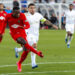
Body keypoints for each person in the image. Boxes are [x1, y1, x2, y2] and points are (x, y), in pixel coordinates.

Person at [15, 3, 58, 69]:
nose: (32, 9)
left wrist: (52, 25)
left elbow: (45, 21)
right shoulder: (24, 15)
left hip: (36, 35)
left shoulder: (38, 15)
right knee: (34, 45)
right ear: (28, 9)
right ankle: (33, 63)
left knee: (29, 48)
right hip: (28, 34)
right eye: (31, 8)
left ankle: (18, 50)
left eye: (34, 8)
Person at [5, 6, 44, 72]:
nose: (18, 14)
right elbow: (3, 23)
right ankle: (34, 59)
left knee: (26, 50)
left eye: (19, 13)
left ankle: (19, 62)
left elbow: (27, 25)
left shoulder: (22, 15)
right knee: (25, 43)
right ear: (13, 12)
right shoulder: (8, 16)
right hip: (15, 34)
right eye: (17, 13)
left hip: (22, 33)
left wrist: (22, 26)